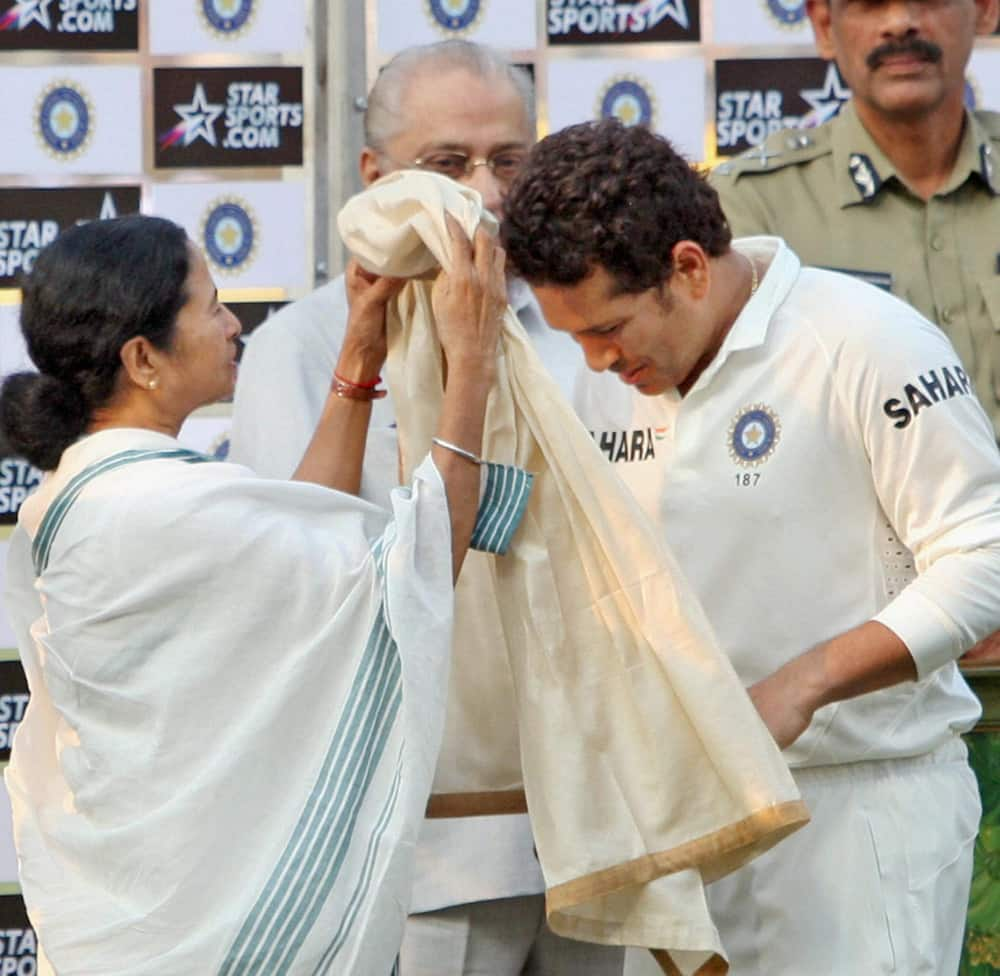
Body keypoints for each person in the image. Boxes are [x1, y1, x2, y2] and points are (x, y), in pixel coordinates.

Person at [501, 118, 1000, 976]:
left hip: (861, 810)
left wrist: (804, 684)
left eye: (608, 328)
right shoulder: (605, 384)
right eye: (574, 336)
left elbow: (986, 556)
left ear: (688, 268)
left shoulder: (866, 341)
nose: (593, 360)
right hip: (692, 818)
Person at [0, 213, 527, 976]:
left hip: (138, 922)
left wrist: (358, 357)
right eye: (210, 305)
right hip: (196, 935)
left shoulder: (95, 491)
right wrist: (470, 362)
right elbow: (405, 578)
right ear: (143, 357)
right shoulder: (153, 507)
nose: (231, 322)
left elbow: (301, 554)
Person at [228, 40, 621, 976]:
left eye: (509, 161)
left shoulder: (592, 331)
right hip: (421, 844)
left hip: (598, 824)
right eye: (447, 164)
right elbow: (303, 581)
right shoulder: (305, 347)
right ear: (375, 176)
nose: (483, 193)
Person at [709, 0, 1000, 436]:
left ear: (985, 10)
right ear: (825, 25)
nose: (900, 23)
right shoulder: (751, 205)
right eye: (870, 4)